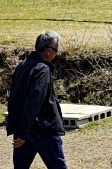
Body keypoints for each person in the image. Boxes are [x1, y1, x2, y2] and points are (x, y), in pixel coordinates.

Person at [6, 31, 68, 169]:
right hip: (42, 129)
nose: (56, 55)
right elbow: (34, 102)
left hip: (23, 127)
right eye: (55, 51)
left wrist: (20, 129)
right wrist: (22, 134)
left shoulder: (22, 65)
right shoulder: (43, 70)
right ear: (48, 51)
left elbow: (13, 99)